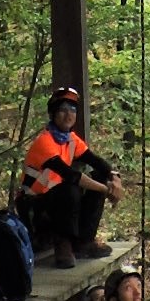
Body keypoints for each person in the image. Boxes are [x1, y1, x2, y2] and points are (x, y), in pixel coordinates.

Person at [20, 87, 123, 269]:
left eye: (72, 110)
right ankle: (64, 245)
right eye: (62, 110)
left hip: (58, 204)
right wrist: (107, 190)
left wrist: (115, 179)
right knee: (70, 187)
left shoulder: (70, 139)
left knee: (97, 177)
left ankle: (84, 241)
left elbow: (97, 162)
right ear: (53, 114)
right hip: (35, 209)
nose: (68, 115)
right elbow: (71, 176)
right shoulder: (44, 142)